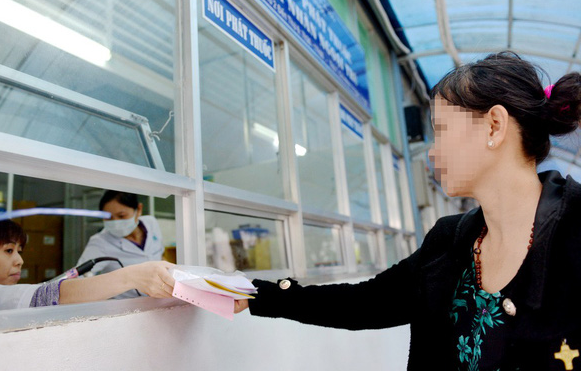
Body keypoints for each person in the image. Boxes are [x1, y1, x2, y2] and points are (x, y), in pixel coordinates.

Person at [235, 52, 581, 370]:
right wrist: (254, 294)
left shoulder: (575, 233)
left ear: (494, 126)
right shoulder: (450, 241)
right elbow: (364, 302)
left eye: (441, 131)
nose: (432, 152)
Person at [0, 220, 175, 316]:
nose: (20, 261)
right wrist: (130, 277)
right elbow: (45, 296)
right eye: (9, 251)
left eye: (19, 251)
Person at [77, 190, 163, 298]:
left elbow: (160, 254)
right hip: (125, 306)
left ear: (139, 210)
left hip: (158, 299)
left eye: (121, 216)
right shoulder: (100, 242)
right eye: (108, 217)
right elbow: (77, 280)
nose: (116, 223)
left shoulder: (151, 223)